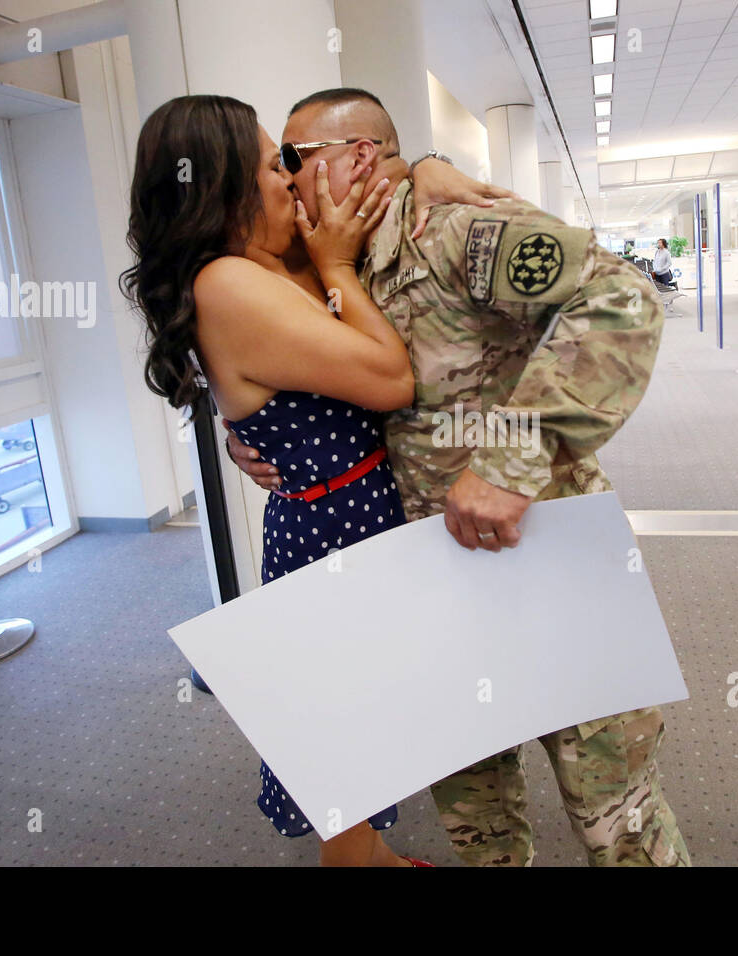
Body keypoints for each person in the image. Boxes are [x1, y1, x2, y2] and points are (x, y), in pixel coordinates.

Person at [228, 87, 690, 868]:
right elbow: (227, 328)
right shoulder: (330, 259)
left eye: (296, 160)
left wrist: (511, 463)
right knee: (475, 819)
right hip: (432, 579)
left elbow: (621, 297)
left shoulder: (457, 231)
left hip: (544, 559)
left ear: (360, 157)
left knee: (614, 813)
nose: (286, 178)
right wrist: (243, 434)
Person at [121, 94, 506, 867]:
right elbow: (390, 377)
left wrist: (426, 165)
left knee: (362, 729)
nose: (294, 182)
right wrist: (333, 265)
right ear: (225, 187)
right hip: (336, 539)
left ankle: (378, 860)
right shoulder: (228, 283)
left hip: (351, 517)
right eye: (275, 166)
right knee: (345, 739)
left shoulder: (262, 260)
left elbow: (376, 179)